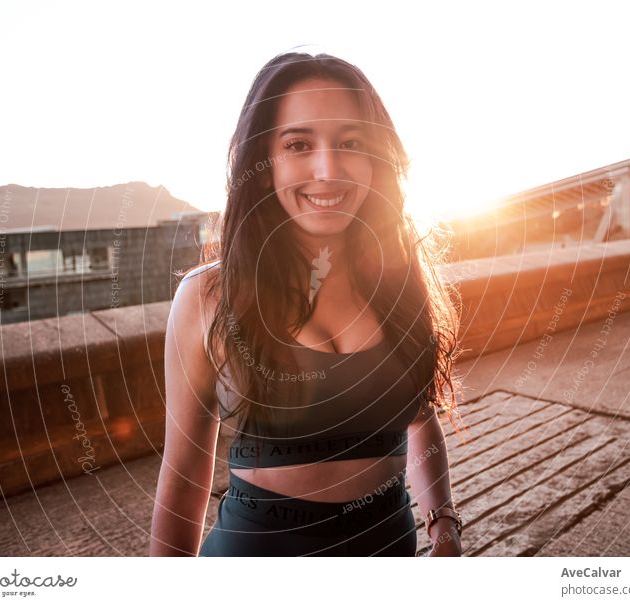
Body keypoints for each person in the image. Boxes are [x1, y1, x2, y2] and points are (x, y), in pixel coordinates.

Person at [149, 51, 466, 557]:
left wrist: (442, 527)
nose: (328, 169)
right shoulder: (208, 297)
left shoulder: (399, 279)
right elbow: (184, 474)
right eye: (298, 143)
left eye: (350, 143)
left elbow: (419, 415)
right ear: (261, 161)